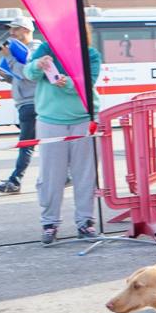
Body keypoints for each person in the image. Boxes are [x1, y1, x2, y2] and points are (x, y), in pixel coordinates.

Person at [27, 28, 103, 244]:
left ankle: (85, 222)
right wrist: (37, 65)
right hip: (50, 120)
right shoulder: (45, 49)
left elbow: (90, 81)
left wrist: (69, 83)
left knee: (85, 174)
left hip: (83, 119)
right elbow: (28, 73)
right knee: (51, 175)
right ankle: (49, 223)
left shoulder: (91, 54)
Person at [0, 15, 40, 194]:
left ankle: (15, 181)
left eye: (15, 29)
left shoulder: (35, 50)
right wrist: (5, 76)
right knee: (36, 143)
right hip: (26, 103)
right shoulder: (21, 50)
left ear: (26, 30)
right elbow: (20, 77)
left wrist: (10, 59)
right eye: (10, 29)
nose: (11, 33)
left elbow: (28, 73)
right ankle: (66, 174)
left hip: (32, 103)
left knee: (26, 144)